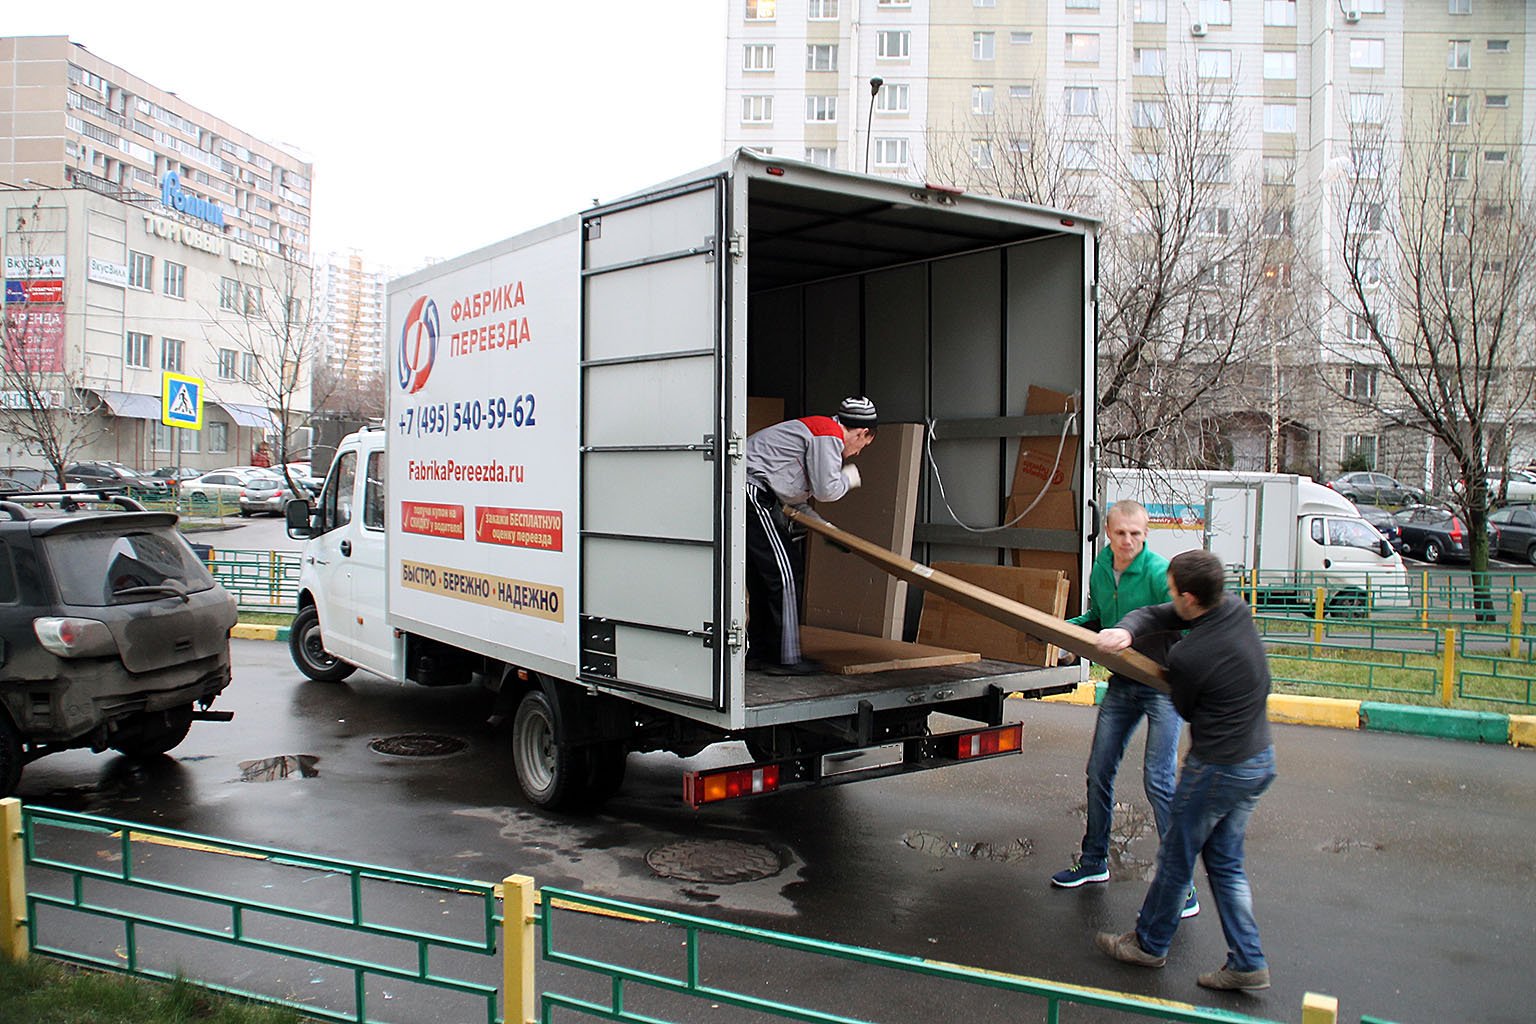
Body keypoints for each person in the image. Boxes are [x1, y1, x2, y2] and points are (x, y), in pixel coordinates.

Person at [1092, 549, 1277, 992]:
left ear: (1190, 598)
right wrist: (1127, 629)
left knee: (1176, 854)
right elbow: (1158, 614)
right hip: (1258, 759)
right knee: (1225, 862)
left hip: (1219, 767)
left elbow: (1185, 707)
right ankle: (1248, 961)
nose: (1169, 596)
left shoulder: (1191, 657)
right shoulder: (1234, 610)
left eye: (1174, 590)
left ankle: (1149, 944)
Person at [1051, 500, 1195, 919]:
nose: (1128, 541)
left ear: (1145, 534)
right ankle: (1094, 860)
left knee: (1159, 780)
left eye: (1136, 533)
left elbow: (1184, 624)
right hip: (1122, 684)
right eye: (1120, 533)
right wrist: (1061, 633)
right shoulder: (1100, 568)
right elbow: (1100, 617)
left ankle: (1181, 884)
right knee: (1099, 770)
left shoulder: (1157, 573)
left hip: (1160, 686)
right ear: (1108, 534)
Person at [744, 396, 877, 675]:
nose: (856, 453)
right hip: (753, 491)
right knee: (784, 574)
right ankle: (784, 659)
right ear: (862, 432)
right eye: (862, 446)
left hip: (753, 492)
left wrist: (827, 530)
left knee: (764, 578)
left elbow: (795, 501)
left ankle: (761, 654)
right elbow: (827, 490)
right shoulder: (827, 433)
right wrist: (850, 477)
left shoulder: (814, 434)